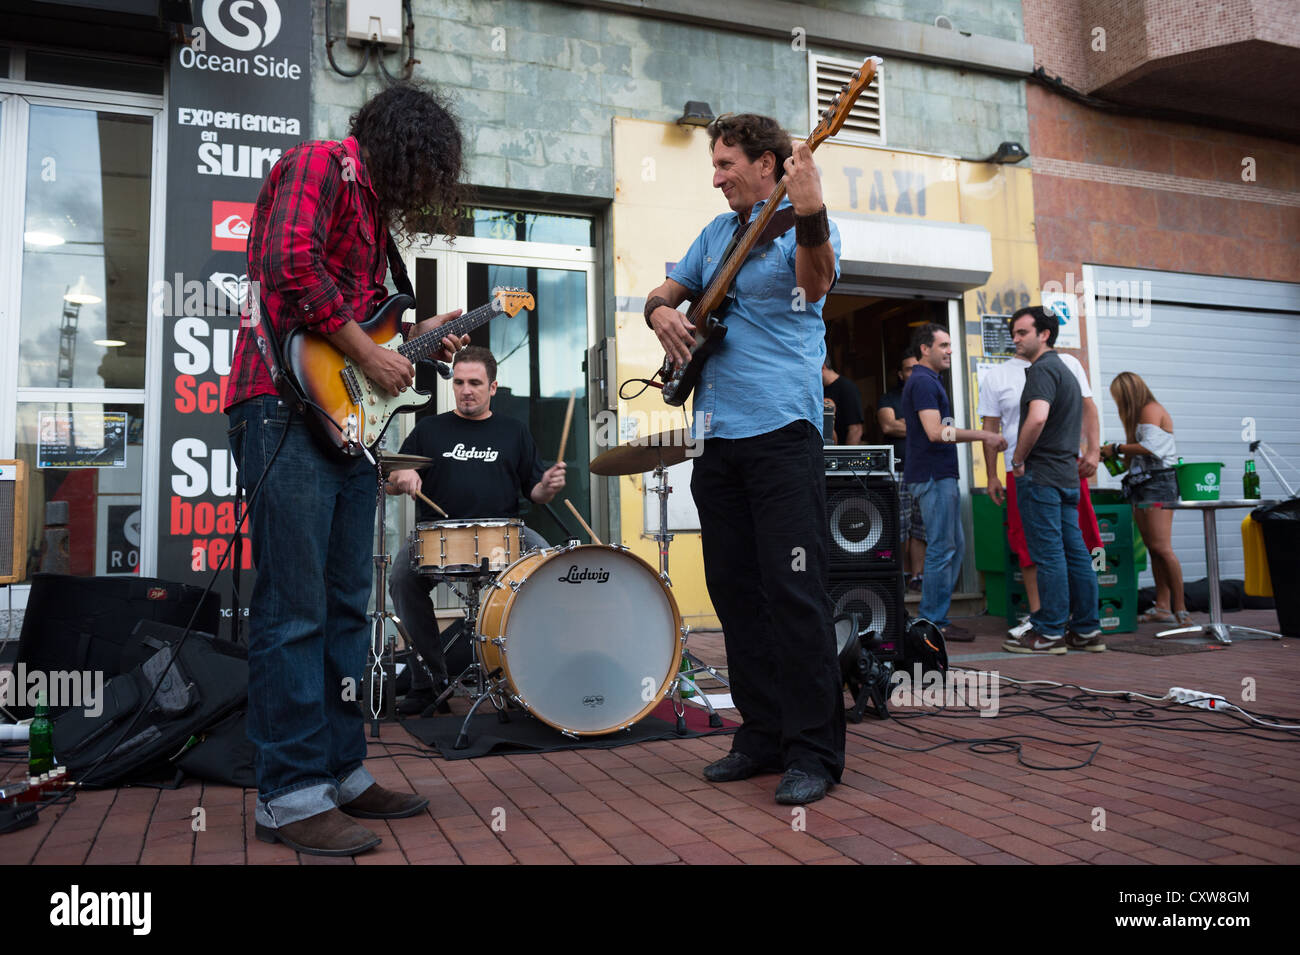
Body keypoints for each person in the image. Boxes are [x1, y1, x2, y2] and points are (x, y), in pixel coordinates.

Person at [225, 84, 470, 857]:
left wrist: (418, 337)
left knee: (341, 610)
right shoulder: (321, 164)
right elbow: (286, 265)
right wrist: (369, 352)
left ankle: (341, 771)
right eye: (426, 170)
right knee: (293, 608)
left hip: (344, 429)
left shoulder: (373, 222)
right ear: (404, 150)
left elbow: (363, 323)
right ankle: (290, 795)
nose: (426, 188)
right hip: (281, 410)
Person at [643, 113, 844, 805]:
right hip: (717, 438)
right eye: (715, 163)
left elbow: (815, 286)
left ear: (769, 164)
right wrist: (657, 310)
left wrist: (812, 209)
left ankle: (815, 750)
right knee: (735, 592)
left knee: (794, 593)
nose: (717, 174)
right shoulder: (716, 234)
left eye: (728, 163)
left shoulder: (802, 223)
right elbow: (668, 291)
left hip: (782, 434)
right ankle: (761, 735)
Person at [385, 346, 566, 711]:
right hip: (437, 534)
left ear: (493, 387)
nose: (466, 390)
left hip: (504, 532)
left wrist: (545, 487)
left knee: (549, 566)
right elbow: (392, 478)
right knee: (402, 576)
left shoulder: (513, 432)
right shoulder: (429, 429)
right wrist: (401, 475)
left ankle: (528, 673)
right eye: (460, 382)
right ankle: (429, 683)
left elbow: (535, 491)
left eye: (475, 383)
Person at [977, 306, 1103, 641]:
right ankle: (1087, 629)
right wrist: (995, 473)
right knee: (1072, 550)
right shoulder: (1058, 367)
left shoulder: (1042, 371)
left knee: (1049, 554)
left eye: (1022, 333)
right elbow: (993, 426)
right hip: (1064, 473)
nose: (1015, 339)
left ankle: (1048, 631)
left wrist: (1018, 459)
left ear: (1044, 334)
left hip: (1042, 474)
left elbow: (1037, 418)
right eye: (1013, 333)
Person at [901, 324, 1006, 642]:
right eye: (944, 345)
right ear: (924, 349)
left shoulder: (928, 381)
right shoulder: (921, 381)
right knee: (942, 549)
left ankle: (936, 618)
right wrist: (984, 434)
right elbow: (935, 432)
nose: (950, 351)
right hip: (934, 476)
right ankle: (932, 622)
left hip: (938, 475)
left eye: (950, 345)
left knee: (953, 547)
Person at [1102, 371, 1189, 625]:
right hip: (1142, 482)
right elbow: (1140, 455)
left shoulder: (1149, 409)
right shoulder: (1138, 415)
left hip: (1159, 483)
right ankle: (1162, 606)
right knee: (1153, 548)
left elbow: (1151, 448)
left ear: (1128, 393)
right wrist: (1112, 456)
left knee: (1162, 547)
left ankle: (1181, 609)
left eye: (1119, 396)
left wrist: (1116, 448)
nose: (1118, 402)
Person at [878, 352, 926, 591]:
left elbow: (940, 429)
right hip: (897, 469)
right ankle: (899, 574)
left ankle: (918, 576)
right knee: (897, 526)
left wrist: (907, 425)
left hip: (925, 472)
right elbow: (888, 425)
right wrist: (923, 426)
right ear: (900, 374)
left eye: (917, 368)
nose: (913, 373)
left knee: (920, 527)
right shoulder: (890, 398)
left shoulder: (928, 395)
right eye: (908, 369)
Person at [822, 357, 864, 445]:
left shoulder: (847, 387)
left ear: (823, 366)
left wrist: (846, 456)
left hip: (839, 450)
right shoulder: (819, 389)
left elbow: (855, 429)